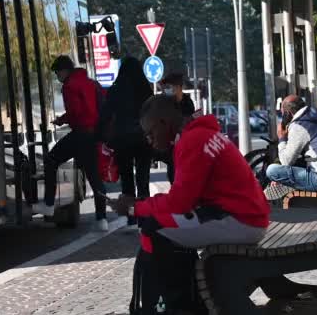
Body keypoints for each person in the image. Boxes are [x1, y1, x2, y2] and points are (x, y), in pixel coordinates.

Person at [111, 95, 270, 314]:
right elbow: (184, 199)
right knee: (163, 226)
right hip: (245, 215)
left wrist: (134, 208)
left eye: (150, 133)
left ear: (163, 123)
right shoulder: (202, 134)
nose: (149, 140)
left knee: (155, 229)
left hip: (241, 220)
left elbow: (179, 203)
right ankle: (187, 301)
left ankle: (177, 307)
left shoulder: (192, 140)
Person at [33, 56, 109, 231]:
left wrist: (63, 120)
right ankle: (102, 219)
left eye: (58, 71)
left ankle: (49, 204)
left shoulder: (70, 86)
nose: (57, 75)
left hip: (80, 134)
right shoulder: (90, 82)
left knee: (51, 160)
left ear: (65, 70)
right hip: (92, 134)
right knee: (94, 176)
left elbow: (75, 111)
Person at [99, 57, 153, 202]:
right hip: (143, 139)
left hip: (122, 140)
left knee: (126, 179)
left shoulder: (115, 89)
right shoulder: (145, 89)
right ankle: (144, 213)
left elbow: (105, 114)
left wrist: (102, 137)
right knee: (143, 179)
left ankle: (130, 214)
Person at [157, 72, 195, 183]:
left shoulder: (187, 102)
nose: (168, 89)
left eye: (170, 86)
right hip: (170, 145)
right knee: (173, 174)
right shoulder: (166, 102)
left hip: (184, 145)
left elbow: (189, 122)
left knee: (183, 175)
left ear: (179, 87)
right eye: (166, 87)